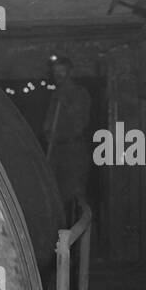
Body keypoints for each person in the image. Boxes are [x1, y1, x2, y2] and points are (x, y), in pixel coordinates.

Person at [42, 57, 93, 216]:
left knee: (73, 199)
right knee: (55, 196)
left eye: (62, 71)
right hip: (57, 151)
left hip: (73, 152)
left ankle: (73, 237)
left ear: (70, 72)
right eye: (56, 72)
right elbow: (49, 123)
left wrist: (66, 104)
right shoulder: (56, 94)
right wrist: (47, 131)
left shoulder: (80, 93)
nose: (59, 75)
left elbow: (80, 122)